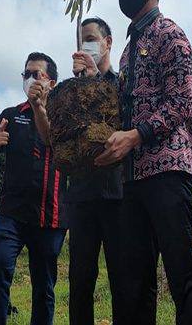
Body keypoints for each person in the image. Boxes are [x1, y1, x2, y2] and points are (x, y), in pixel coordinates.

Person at [93, 0, 192, 324]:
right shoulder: (126, 52)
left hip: (167, 172)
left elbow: (179, 104)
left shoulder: (170, 35)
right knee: (134, 280)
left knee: (181, 274)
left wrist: (136, 135)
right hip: (132, 177)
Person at [0, 52, 68, 325]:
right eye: (26, 74)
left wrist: (40, 108)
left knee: (44, 287)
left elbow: (54, 142)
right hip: (11, 216)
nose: (30, 79)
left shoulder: (63, 117)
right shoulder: (10, 115)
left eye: (37, 74)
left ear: (51, 83)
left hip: (50, 217)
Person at [65, 17, 126, 324]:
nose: (85, 46)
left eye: (91, 39)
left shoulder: (122, 84)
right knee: (79, 281)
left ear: (107, 43)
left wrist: (94, 84)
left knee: (122, 279)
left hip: (117, 196)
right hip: (82, 196)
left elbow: (114, 126)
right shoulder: (71, 91)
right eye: (81, 41)